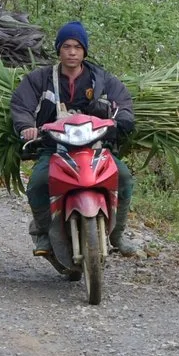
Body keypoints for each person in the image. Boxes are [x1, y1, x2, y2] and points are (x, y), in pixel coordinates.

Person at [9, 20, 139, 258]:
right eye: (66, 46)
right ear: (59, 49)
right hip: (56, 148)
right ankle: (43, 233)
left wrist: (123, 121)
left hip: (97, 147)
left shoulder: (102, 81)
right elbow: (21, 105)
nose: (72, 52)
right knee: (38, 183)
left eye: (77, 47)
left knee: (123, 177)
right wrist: (27, 127)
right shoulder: (40, 79)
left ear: (84, 51)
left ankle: (118, 234)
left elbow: (123, 103)